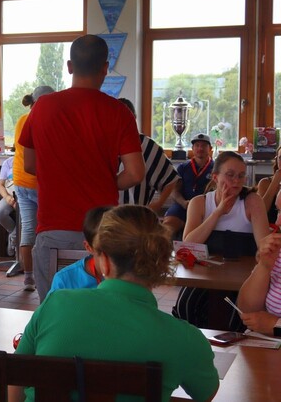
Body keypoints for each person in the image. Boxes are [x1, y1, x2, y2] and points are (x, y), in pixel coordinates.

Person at [14, 205, 219, 402]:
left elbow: (15, 375)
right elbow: (206, 394)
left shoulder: (55, 304)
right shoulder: (183, 338)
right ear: (162, 264)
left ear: (103, 259)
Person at [18, 34, 145, 301]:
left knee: (55, 312)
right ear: (105, 68)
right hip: (102, 231)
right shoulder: (119, 112)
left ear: (69, 66)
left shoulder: (41, 108)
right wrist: (104, 181)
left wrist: (61, 175)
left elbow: (29, 164)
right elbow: (135, 173)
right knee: (104, 315)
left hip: (54, 228)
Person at [174, 151, 269, 329]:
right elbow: (187, 245)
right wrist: (217, 213)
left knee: (237, 320)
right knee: (185, 308)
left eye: (241, 176)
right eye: (230, 175)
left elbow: (264, 247)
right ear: (216, 177)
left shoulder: (252, 202)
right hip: (205, 276)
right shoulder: (199, 203)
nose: (236, 181)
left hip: (243, 278)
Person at [10, 86, 54, 290]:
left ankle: (28, 277)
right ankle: (48, 276)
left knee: (28, 228)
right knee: (47, 229)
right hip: (40, 182)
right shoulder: (46, 120)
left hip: (20, 181)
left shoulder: (21, 120)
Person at [117, 98, 179, 212]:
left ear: (133, 119)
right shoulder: (101, 143)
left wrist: (158, 203)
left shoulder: (148, 146)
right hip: (105, 217)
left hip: (135, 217)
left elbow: (171, 179)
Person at [47, 206, 109, 296]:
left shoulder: (129, 276)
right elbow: (52, 309)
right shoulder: (64, 280)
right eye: (105, 250)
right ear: (88, 247)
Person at [163, 133, 214, 237]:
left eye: (204, 146)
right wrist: (183, 203)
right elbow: (174, 191)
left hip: (207, 208)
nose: (200, 148)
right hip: (184, 206)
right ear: (192, 148)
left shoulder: (216, 169)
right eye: (197, 145)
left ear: (210, 148)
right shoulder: (183, 167)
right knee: (167, 226)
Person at [237, 232, 281, 336]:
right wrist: (264, 266)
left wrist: (275, 325)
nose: (278, 222)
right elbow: (247, 312)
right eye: (279, 214)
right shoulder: (277, 250)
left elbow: (272, 325)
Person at [255, 144, 281, 222]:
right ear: (276, 160)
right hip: (270, 230)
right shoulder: (265, 183)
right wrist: (274, 183)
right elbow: (258, 214)